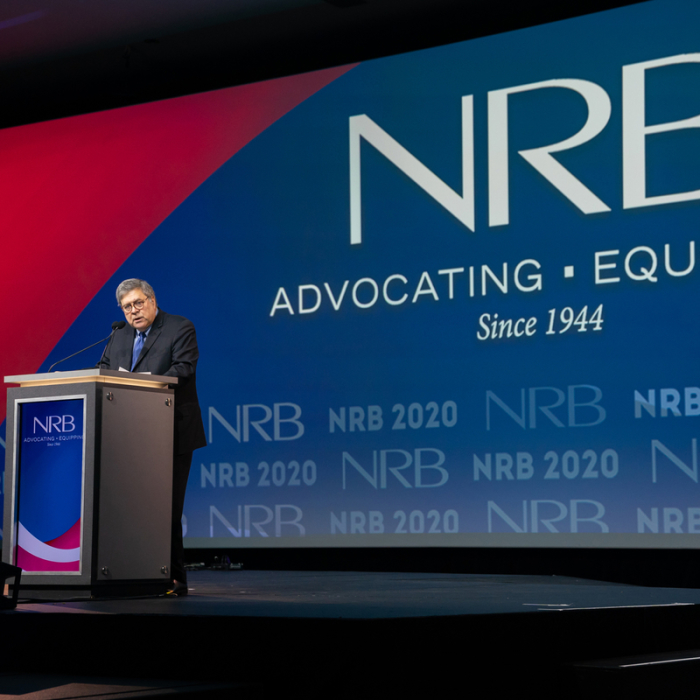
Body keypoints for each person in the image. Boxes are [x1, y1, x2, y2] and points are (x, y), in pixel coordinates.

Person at [99, 278, 206, 596]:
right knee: (127, 508)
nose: (133, 312)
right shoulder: (118, 335)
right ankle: (132, 574)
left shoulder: (179, 327)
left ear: (152, 300)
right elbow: (103, 368)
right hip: (126, 435)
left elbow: (184, 368)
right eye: (127, 307)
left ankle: (174, 578)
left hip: (169, 430)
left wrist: (147, 382)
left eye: (138, 303)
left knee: (165, 508)